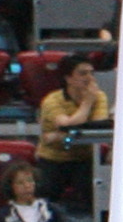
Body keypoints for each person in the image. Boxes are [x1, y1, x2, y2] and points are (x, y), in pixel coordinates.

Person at [37, 56, 111, 212]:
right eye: (83, 74)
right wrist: (87, 103)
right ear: (68, 78)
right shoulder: (52, 100)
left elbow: (97, 126)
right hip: (54, 158)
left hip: (84, 157)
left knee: (99, 189)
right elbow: (65, 125)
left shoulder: (100, 96)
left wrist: (62, 134)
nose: (89, 78)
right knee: (46, 193)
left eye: (91, 73)